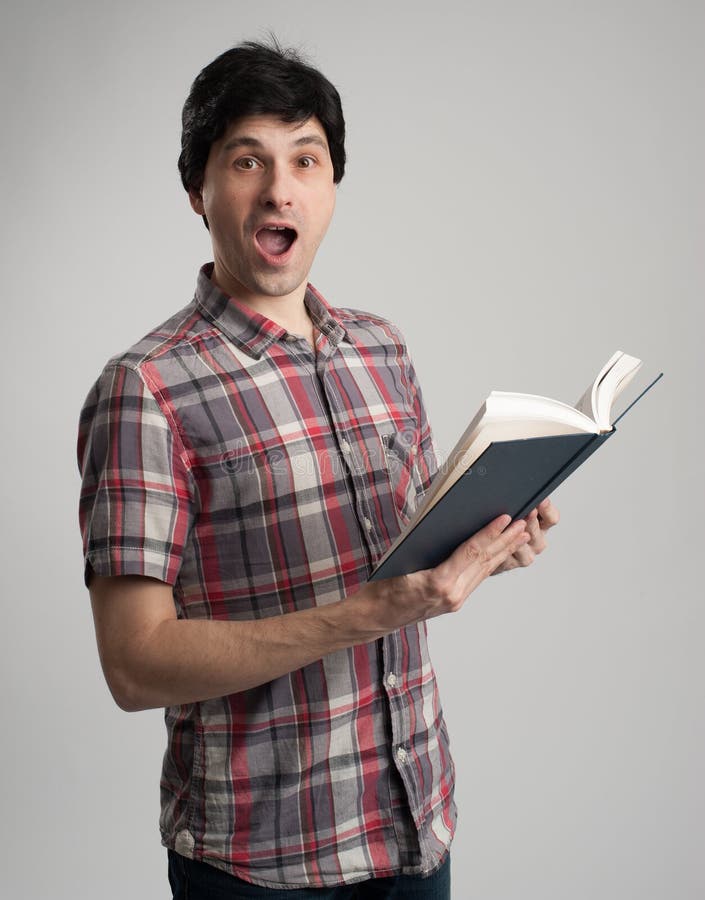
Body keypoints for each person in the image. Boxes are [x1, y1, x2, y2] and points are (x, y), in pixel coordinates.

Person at [77, 40, 559, 899]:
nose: (279, 187)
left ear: (332, 186)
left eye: (307, 159)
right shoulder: (144, 390)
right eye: (246, 161)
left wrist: (491, 539)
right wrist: (362, 613)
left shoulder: (381, 347)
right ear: (198, 190)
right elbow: (135, 666)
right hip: (260, 863)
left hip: (413, 826)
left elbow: (403, 560)